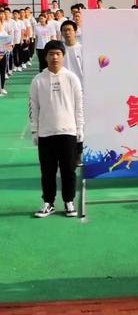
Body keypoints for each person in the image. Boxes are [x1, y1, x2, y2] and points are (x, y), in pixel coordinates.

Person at [29, 40, 84, 218]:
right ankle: (48, 202)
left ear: (63, 56)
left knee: (69, 170)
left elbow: (79, 106)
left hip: (68, 131)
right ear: (45, 57)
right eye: (51, 54)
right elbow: (33, 107)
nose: (54, 57)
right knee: (48, 171)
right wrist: (34, 130)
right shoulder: (38, 80)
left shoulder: (71, 78)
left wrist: (79, 129)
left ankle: (69, 201)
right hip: (46, 132)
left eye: (58, 54)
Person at [61, 20, 83, 86]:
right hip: (64, 84)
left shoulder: (82, 49)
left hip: (80, 84)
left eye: (69, 30)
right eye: (64, 30)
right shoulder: (59, 50)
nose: (67, 32)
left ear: (75, 32)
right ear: (61, 33)